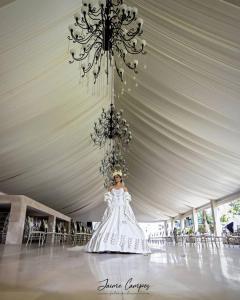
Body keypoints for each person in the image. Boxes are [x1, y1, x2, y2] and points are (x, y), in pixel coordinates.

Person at [85, 170, 151, 254]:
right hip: (113, 208)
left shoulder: (124, 188)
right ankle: (105, 246)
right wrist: (110, 206)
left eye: (118, 177)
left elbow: (126, 200)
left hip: (122, 208)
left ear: (120, 178)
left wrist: (126, 209)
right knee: (108, 225)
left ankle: (125, 246)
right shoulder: (111, 188)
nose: (116, 179)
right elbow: (109, 199)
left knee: (124, 226)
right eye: (115, 177)